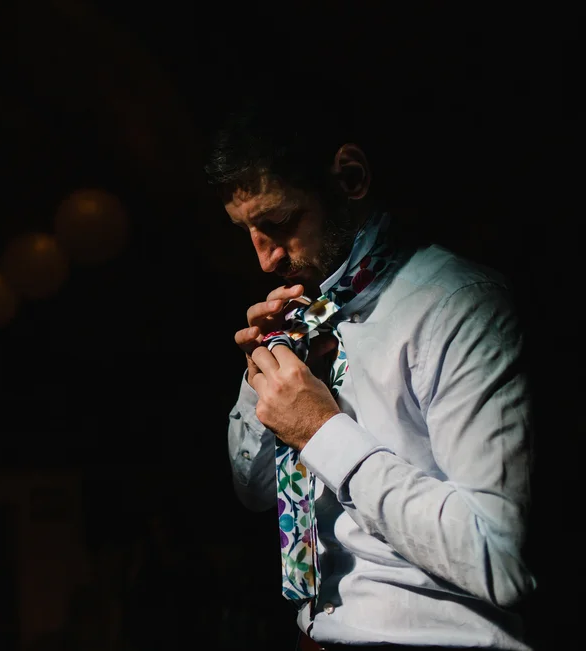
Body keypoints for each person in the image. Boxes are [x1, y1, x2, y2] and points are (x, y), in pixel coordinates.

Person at [206, 95, 536, 650]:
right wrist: (261, 380)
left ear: (350, 178)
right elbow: (255, 493)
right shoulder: (307, 318)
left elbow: (500, 559)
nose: (265, 259)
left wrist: (320, 431)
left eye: (281, 222)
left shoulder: (461, 304)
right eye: (247, 230)